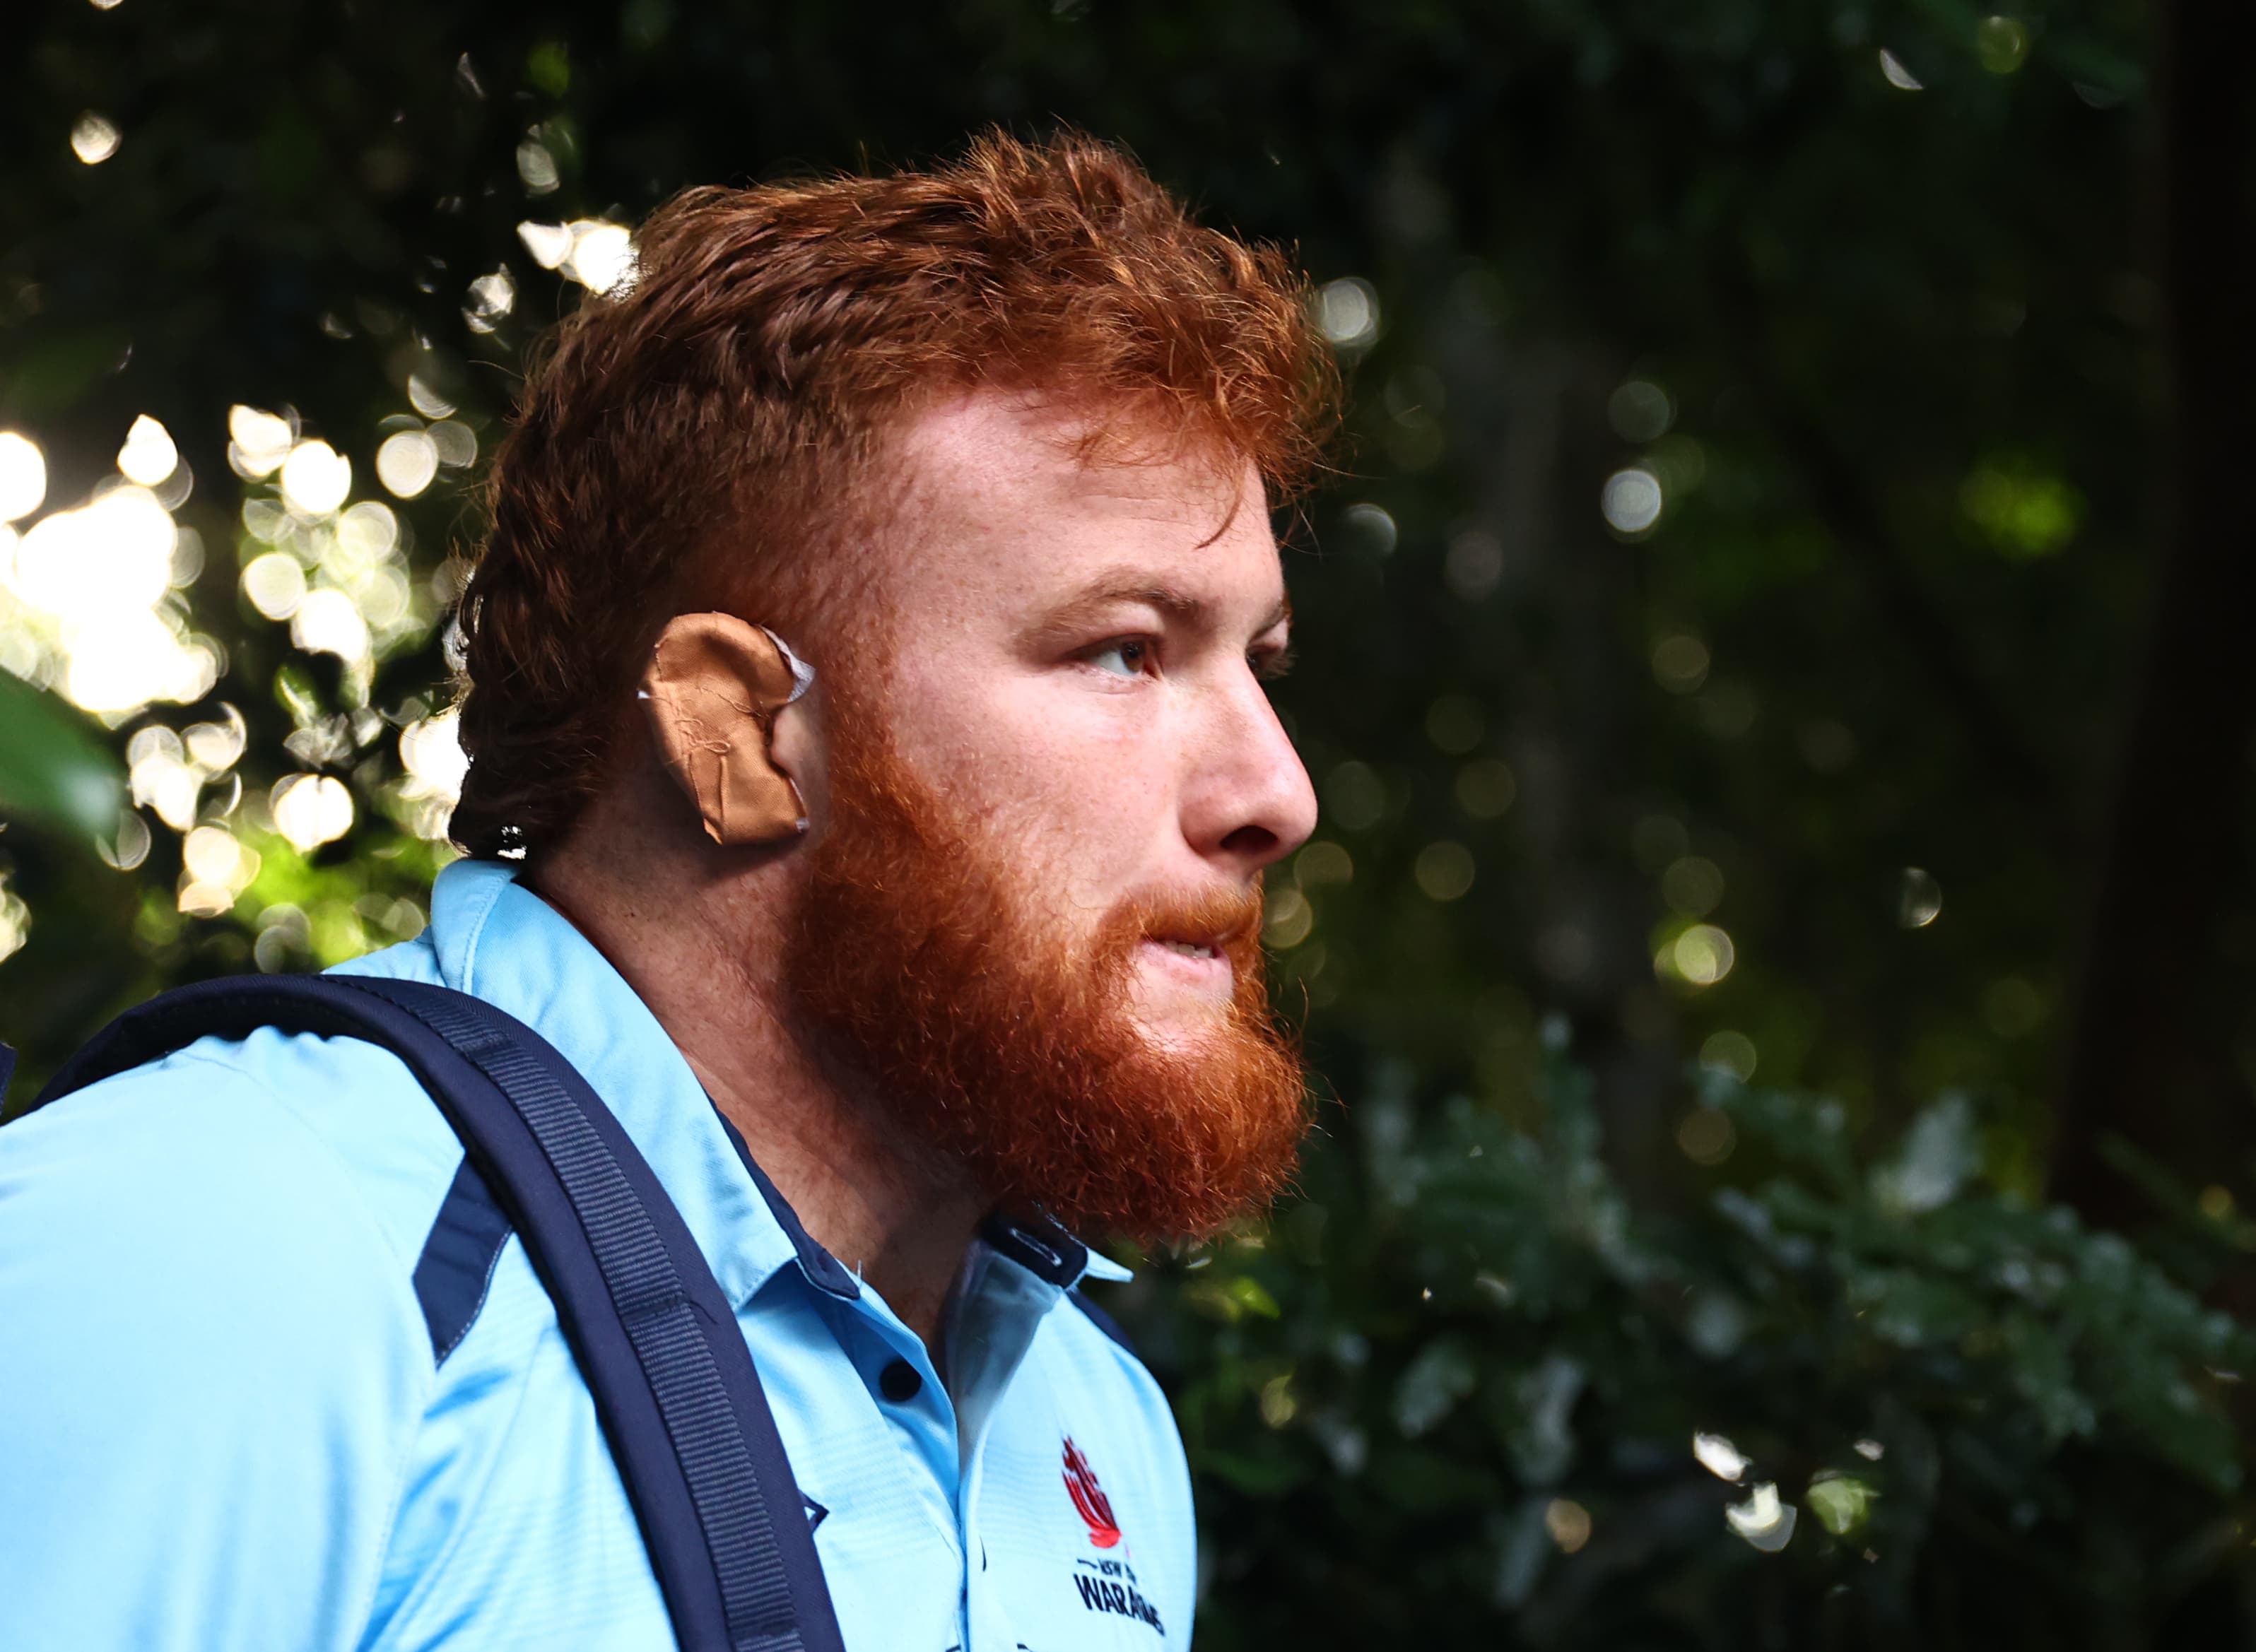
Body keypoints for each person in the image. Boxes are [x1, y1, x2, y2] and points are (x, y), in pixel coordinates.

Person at [0, 130, 1334, 1650]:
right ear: (737, 729)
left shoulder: (1093, 1425)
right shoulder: (232, 1245)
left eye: (1259, 662)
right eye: (1124, 651)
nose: (1276, 793)